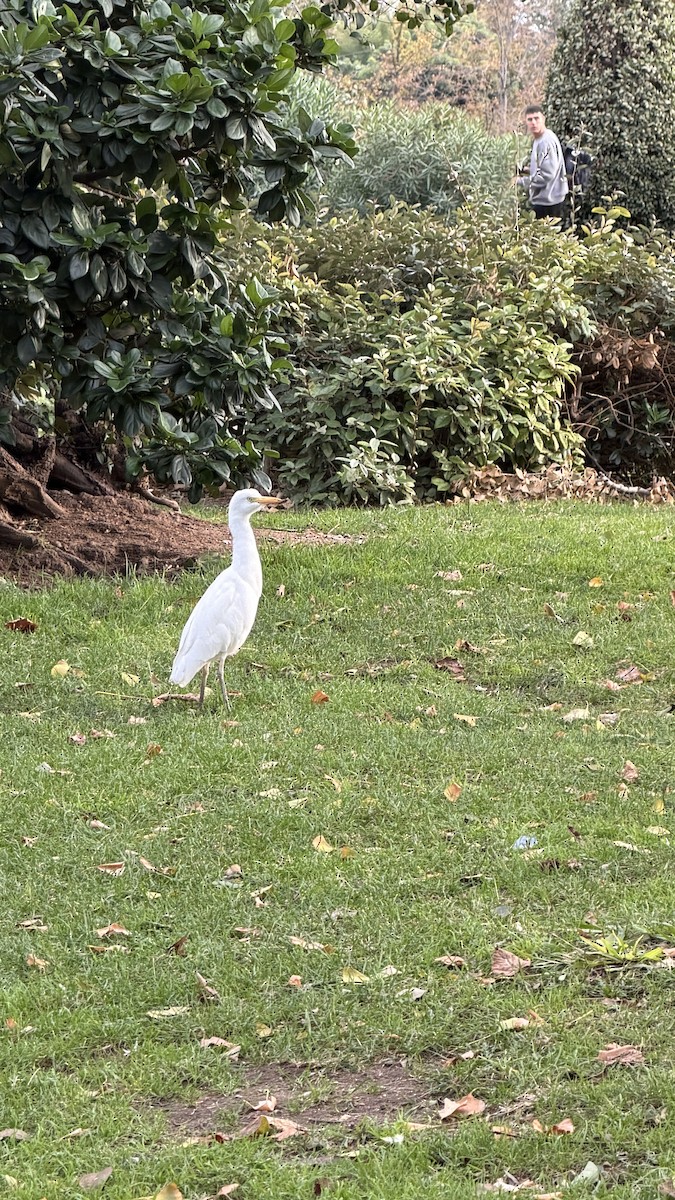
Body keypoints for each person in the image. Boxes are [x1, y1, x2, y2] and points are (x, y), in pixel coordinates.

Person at [519, 105, 569, 220]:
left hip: (549, 201)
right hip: (548, 198)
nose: (534, 123)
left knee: (544, 236)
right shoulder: (540, 138)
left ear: (543, 119)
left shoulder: (546, 141)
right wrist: (527, 170)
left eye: (537, 118)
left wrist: (520, 181)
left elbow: (547, 175)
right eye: (530, 119)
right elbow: (544, 167)